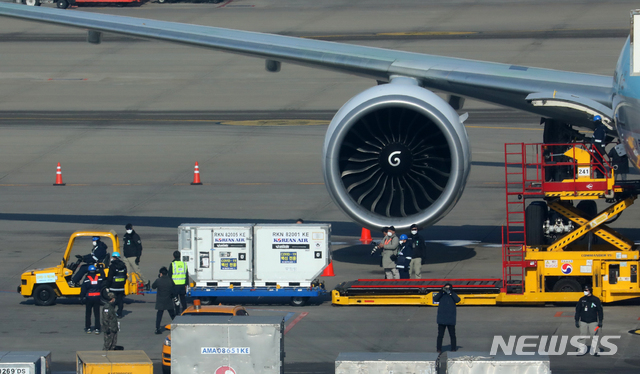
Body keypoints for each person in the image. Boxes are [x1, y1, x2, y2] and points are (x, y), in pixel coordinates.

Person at [575, 285, 603, 355]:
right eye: (584, 290)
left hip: (593, 322)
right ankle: (581, 350)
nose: (585, 292)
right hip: (583, 321)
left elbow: (600, 310)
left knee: (594, 335)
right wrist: (576, 320)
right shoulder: (581, 299)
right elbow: (578, 310)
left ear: (590, 291)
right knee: (582, 335)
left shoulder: (596, 299)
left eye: (586, 290)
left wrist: (600, 321)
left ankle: (595, 350)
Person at [434, 283, 460, 353]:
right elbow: (435, 299)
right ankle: (439, 348)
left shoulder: (452, 295)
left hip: (450, 319)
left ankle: (453, 348)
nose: (447, 290)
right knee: (440, 335)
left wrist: (451, 293)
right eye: (446, 288)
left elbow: (457, 300)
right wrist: (441, 292)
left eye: (448, 288)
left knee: (452, 335)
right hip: (442, 319)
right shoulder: (442, 295)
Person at [80, 265, 104, 334]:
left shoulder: (86, 279)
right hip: (97, 298)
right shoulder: (99, 278)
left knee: (88, 314)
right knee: (97, 314)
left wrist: (82, 297)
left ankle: (88, 328)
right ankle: (97, 328)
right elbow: (104, 276)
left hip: (89, 298)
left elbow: (83, 289)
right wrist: (101, 269)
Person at [152, 267, 176, 334]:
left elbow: (153, 286)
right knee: (172, 314)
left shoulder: (158, 280)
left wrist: (159, 277)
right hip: (168, 300)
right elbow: (173, 287)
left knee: (159, 315)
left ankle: (157, 328)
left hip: (160, 300)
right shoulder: (170, 280)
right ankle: (177, 326)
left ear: (161, 273)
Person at [106, 252, 127, 318]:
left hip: (113, 287)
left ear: (114, 257)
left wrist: (107, 286)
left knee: (112, 300)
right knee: (120, 301)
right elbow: (125, 276)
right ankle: (119, 313)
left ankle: (112, 313)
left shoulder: (112, 266)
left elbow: (110, 277)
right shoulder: (123, 265)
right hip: (121, 287)